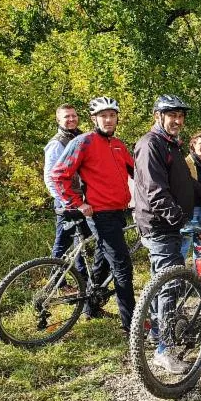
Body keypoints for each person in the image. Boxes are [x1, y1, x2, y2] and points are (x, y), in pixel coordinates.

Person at [134, 94, 201, 372]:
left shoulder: (171, 145)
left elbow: (185, 183)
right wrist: (181, 220)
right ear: (158, 116)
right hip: (161, 226)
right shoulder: (150, 144)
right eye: (171, 115)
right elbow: (156, 191)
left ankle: (156, 332)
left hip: (169, 225)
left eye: (180, 116)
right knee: (170, 286)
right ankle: (164, 350)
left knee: (162, 282)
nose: (177, 120)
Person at [51, 96, 135, 334]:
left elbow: (137, 174)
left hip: (119, 211)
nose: (108, 120)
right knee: (122, 267)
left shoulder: (119, 144)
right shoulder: (83, 142)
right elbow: (59, 175)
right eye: (103, 116)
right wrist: (76, 203)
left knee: (103, 263)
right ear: (94, 119)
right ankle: (132, 325)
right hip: (100, 214)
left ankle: (90, 306)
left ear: (117, 118)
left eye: (112, 115)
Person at [43, 104, 87, 280]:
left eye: (74, 116)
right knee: (62, 243)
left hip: (83, 200)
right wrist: (66, 202)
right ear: (58, 120)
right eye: (66, 117)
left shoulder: (80, 137)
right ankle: (55, 284)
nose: (71, 119)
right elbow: (50, 178)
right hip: (67, 202)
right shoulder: (57, 143)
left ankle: (83, 281)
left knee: (80, 243)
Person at [180, 132, 201, 260]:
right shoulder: (186, 162)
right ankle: (178, 275)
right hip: (191, 208)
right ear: (193, 145)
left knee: (200, 242)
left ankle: (198, 274)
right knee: (185, 242)